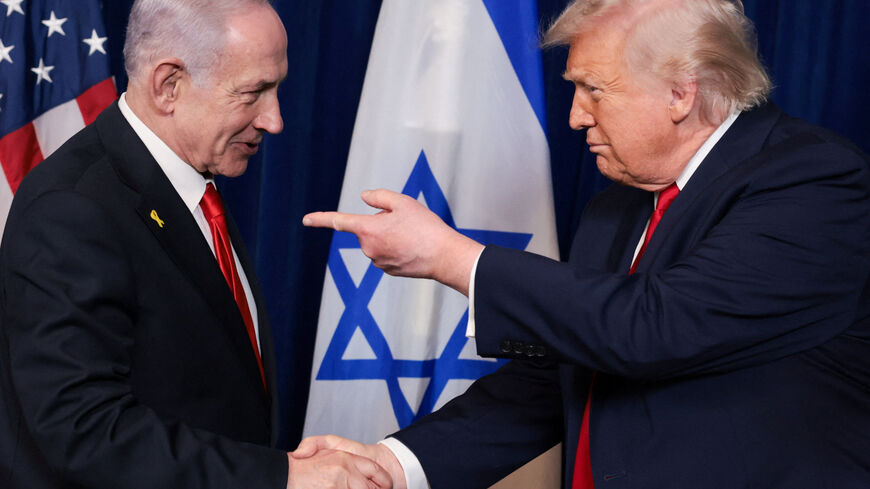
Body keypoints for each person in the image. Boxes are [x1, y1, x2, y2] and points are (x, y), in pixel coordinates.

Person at [297, 0, 870, 488]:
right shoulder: (615, 207)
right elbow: (560, 379)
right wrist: (393, 464)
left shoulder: (815, 181)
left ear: (680, 92)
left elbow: (655, 328)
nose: (575, 116)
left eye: (593, 90)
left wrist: (456, 259)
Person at [0, 1, 390, 488]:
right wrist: (281, 476)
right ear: (169, 86)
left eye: (277, 90)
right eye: (254, 93)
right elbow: (82, 433)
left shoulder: (190, 184)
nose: (274, 120)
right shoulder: (71, 210)